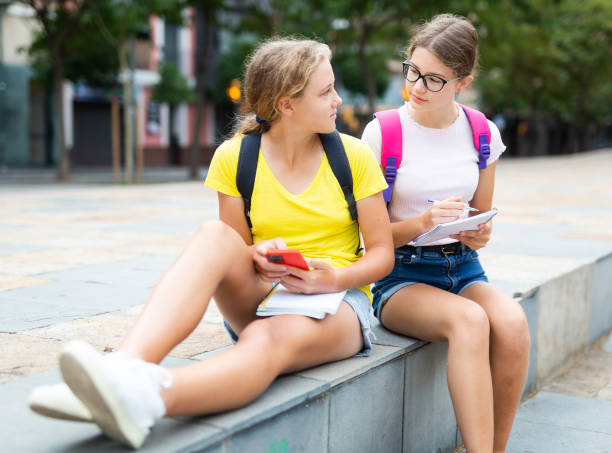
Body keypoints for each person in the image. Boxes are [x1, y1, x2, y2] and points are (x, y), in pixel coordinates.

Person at [28, 38, 393, 449]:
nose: (337, 99)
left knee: (266, 340)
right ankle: (124, 369)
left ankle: (146, 397)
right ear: (287, 105)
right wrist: (257, 256)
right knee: (212, 235)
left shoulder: (354, 156)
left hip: (338, 305)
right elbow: (234, 253)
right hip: (265, 296)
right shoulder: (234, 157)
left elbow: (383, 256)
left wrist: (332, 279)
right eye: (326, 91)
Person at [361, 14, 530, 453]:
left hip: (464, 266)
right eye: (413, 70)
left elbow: (482, 217)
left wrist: (479, 233)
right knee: (470, 320)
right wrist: (424, 223)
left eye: (434, 79)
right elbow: (370, 241)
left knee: (512, 324)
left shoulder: (482, 133)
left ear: (462, 81)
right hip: (402, 276)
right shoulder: (382, 133)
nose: (417, 87)